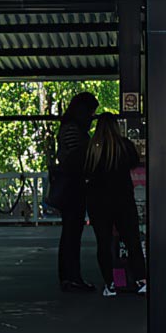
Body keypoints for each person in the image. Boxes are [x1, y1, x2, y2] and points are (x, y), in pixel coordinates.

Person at [84, 114, 147, 297]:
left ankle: (110, 283)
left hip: (98, 202)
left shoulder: (92, 148)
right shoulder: (124, 145)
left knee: (103, 243)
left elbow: (85, 170)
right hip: (123, 200)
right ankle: (141, 280)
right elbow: (134, 162)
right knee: (132, 240)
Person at [55, 92, 98, 292]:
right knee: (72, 233)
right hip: (74, 187)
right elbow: (76, 158)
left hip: (70, 187)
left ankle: (69, 276)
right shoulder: (74, 131)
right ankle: (72, 277)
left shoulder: (67, 128)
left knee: (70, 233)